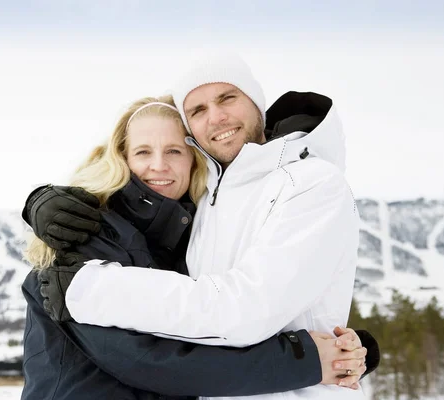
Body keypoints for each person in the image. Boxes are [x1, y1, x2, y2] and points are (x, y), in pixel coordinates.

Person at [25, 52, 379, 400]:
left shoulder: (201, 219)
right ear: (122, 157)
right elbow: (148, 358)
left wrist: (342, 349)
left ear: (193, 157)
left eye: (175, 151)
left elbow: (235, 311)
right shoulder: (80, 232)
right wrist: (307, 360)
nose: (159, 166)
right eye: (144, 152)